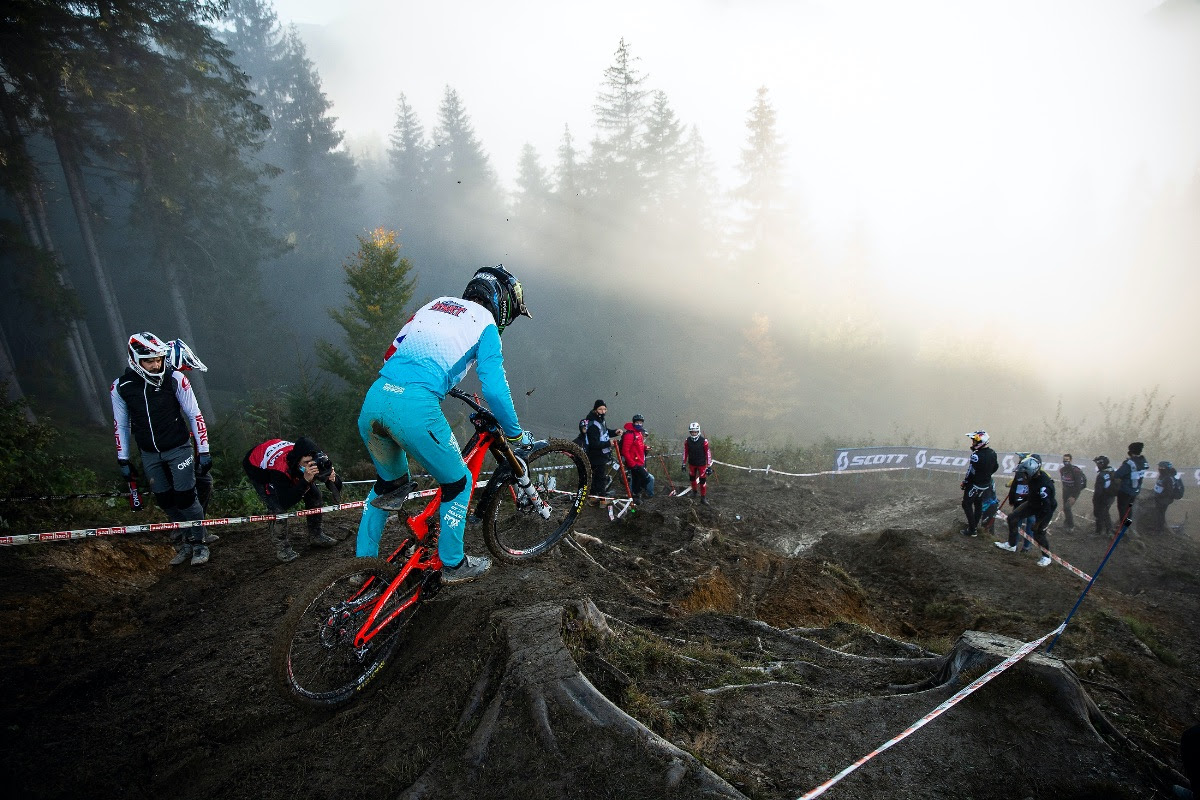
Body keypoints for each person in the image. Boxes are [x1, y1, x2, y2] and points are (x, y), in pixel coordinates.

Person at [353, 265, 533, 584]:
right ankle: (452, 563)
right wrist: (515, 432)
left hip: (376, 399)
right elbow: (493, 388)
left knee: (388, 485)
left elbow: (390, 354)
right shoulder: (487, 324)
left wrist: (439, 375)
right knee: (459, 481)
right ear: (503, 303)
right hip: (415, 409)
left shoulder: (434, 305)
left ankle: (361, 567)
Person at [111, 331, 212, 566]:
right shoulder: (121, 387)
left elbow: (194, 414)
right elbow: (121, 424)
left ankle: (200, 544)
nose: (156, 365)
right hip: (149, 452)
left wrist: (204, 450)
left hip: (178, 447)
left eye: (159, 359)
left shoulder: (175, 378)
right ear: (135, 359)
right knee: (165, 499)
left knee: (186, 497)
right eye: (150, 361)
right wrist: (123, 459)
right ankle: (185, 542)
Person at [242, 437, 341, 562]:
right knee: (277, 508)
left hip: (285, 459)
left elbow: (336, 488)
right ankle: (282, 548)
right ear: (297, 460)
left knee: (315, 496)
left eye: (312, 462)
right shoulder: (279, 469)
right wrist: (305, 480)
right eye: (305, 463)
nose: (310, 465)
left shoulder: (319, 458)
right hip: (257, 466)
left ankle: (316, 535)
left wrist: (333, 478)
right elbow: (285, 501)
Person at [995, 454, 1057, 567]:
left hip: (1045, 509)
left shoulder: (1044, 486)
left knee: (1038, 533)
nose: (1022, 476)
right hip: (1032, 503)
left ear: (1031, 472)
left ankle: (1046, 557)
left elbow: (1046, 507)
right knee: (1012, 518)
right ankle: (1011, 545)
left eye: (1024, 474)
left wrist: (1038, 523)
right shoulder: (1032, 477)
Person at [959, 430, 998, 537]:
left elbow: (971, 471)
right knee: (978, 504)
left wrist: (965, 482)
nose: (972, 443)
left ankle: (972, 529)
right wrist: (986, 475)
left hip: (975, 484)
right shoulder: (993, 453)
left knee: (966, 504)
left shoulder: (976, 455)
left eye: (974, 441)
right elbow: (996, 467)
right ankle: (974, 527)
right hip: (985, 484)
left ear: (980, 442)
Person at [580, 400, 619, 498]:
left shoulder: (601, 421)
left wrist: (615, 432)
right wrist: (608, 443)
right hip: (595, 455)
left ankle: (596, 496)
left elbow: (605, 432)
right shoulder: (593, 423)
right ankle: (601, 498)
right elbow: (594, 444)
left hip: (602, 454)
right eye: (600, 409)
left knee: (598, 478)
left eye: (605, 409)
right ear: (595, 410)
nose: (603, 411)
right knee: (599, 478)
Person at [1001, 453, 1036, 553]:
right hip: (1020, 501)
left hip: (1029, 502)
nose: (1019, 459)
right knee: (1018, 521)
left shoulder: (1033, 472)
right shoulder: (1020, 470)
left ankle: (1025, 547)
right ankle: (1014, 544)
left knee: (1029, 522)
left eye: (1021, 458)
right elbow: (1015, 482)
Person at [1113, 441, 1149, 531]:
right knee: (1129, 509)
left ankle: (1122, 527)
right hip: (1136, 490)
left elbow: (1118, 474)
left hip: (1125, 489)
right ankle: (1127, 526)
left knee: (1122, 509)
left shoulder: (1130, 463)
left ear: (1131, 451)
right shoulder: (1143, 462)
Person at [619, 414, 654, 502]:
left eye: (640, 423)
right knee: (647, 478)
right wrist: (632, 464)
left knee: (636, 480)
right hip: (634, 463)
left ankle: (636, 498)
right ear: (634, 423)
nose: (639, 424)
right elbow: (625, 451)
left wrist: (645, 447)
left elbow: (639, 446)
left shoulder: (638, 433)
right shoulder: (630, 434)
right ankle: (636, 496)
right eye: (637, 422)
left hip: (639, 461)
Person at [1147, 460, 1185, 533]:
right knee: (1159, 513)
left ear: (1165, 468)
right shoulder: (1164, 476)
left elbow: (1168, 492)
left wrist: (1158, 495)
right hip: (1162, 498)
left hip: (1164, 499)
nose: (1159, 468)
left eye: (1161, 467)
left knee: (1160, 514)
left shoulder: (1168, 478)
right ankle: (1158, 527)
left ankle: (1159, 530)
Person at [682, 422, 713, 504]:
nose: (694, 433)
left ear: (698, 431)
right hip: (692, 463)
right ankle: (694, 492)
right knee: (692, 479)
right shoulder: (687, 441)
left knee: (702, 481)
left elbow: (708, 453)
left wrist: (709, 465)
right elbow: (685, 452)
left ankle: (703, 497)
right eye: (692, 432)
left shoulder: (704, 441)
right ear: (690, 432)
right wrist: (683, 463)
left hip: (702, 464)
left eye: (695, 432)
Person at [1058, 453, 1087, 531]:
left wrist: (1074, 496)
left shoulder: (1076, 471)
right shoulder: (1062, 470)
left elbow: (1078, 485)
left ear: (1070, 460)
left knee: (1067, 507)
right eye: (1064, 460)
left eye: (1067, 460)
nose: (1065, 462)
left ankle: (1071, 526)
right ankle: (1066, 523)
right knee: (1065, 508)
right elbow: (1063, 481)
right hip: (1066, 491)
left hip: (1074, 491)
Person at [1091, 455, 1117, 536]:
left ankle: (1099, 532)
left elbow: (1098, 492)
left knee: (1099, 513)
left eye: (1098, 463)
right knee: (1105, 513)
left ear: (1101, 464)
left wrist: (1095, 501)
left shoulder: (1101, 475)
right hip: (1111, 496)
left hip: (1103, 497)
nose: (1097, 465)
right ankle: (1109, 530)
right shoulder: (1112, 470)